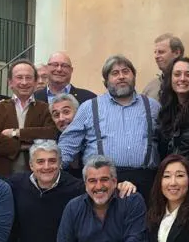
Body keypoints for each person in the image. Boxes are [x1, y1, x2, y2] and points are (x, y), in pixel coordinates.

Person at [59, 55, 161, 200]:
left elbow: (164, 142)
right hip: (102, 183)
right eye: (115, 73)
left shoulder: (152, 106)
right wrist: (51, 170)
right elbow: (68, 145)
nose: (121, 77)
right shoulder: (89, 107)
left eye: (125, 71)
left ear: (134, 76)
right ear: (105, 82)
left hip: (146, 182)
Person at [0, 60, 57, 177]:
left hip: (35, 177)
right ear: (10, 82)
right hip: (1, 175)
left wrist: (16, 132)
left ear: (35, 81)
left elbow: (50, 134)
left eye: (28, 78)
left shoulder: (45, 109)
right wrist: (22, 146)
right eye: (19, 77)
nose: (24, 82)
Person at [155, 56, 189, 194]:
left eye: (188, 74)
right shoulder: (164, 111)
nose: (182, 78)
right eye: (177, 74)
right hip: (171, 185)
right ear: (170, 79)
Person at [141, 33, 185, 100]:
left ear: (176, 53)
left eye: (161, 52)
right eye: (155, 52)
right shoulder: (150, 88)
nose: (156, 56)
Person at [50, 93, 83, 178]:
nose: (61, 118)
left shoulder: (90, 140)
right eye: (56, 115)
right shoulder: (51, 144)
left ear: (78, 113)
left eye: (66, 112)